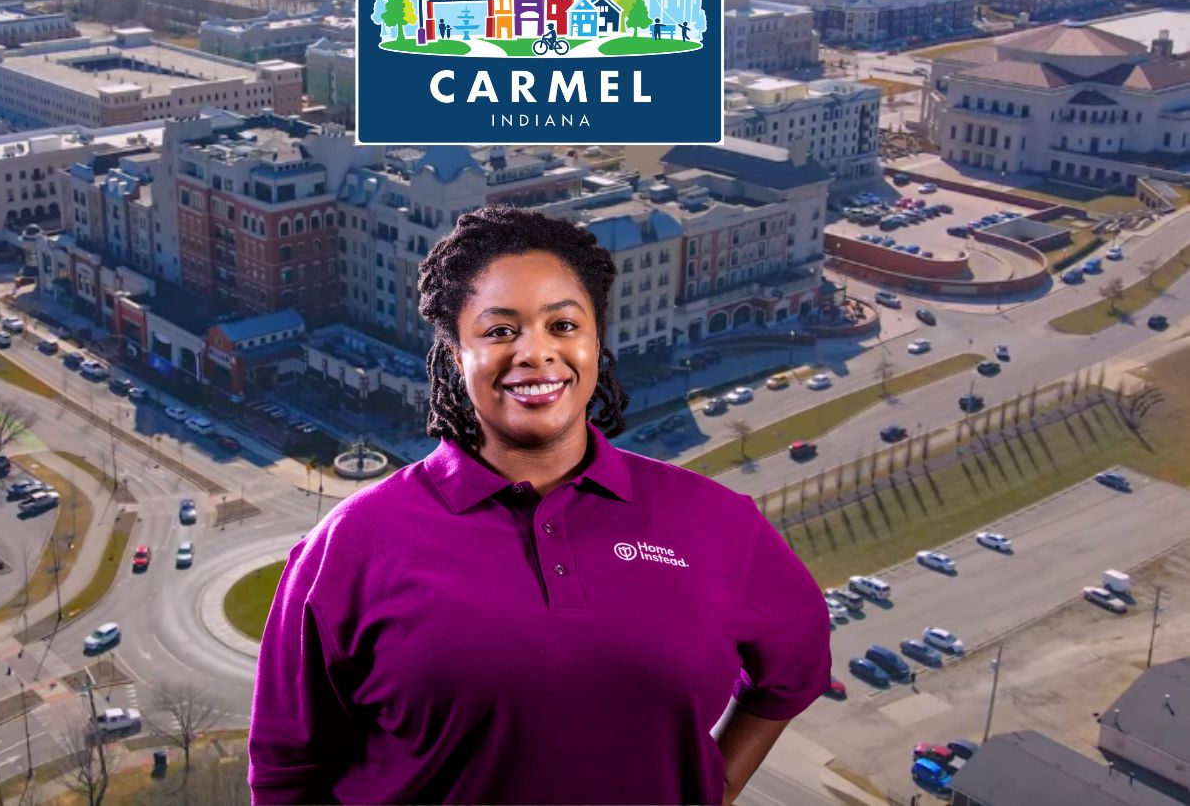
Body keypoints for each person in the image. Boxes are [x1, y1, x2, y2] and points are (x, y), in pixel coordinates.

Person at [248, 205, 830, 805]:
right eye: (500, 331)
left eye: (563, 325)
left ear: (596, 340)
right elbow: (288, 767)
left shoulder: (714, 522)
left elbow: (796, 665)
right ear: (454, 354)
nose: (535, 353)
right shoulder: (352, 544)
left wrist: (715, 786)